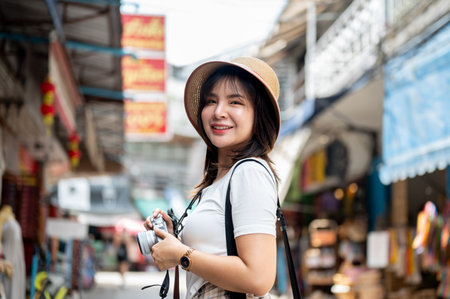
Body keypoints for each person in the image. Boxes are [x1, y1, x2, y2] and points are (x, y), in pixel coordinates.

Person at [145, 57, 281, 298]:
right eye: (211, 101)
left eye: (235, 102)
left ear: (258, 115)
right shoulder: (217, 183)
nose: (219, 112)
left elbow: (259, 278)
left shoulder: (249, 172)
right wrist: (173, 240)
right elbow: (217, 255)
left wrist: (182, 255)